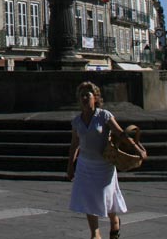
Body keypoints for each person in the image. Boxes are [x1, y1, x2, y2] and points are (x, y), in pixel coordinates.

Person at [67, 81, 135, 239]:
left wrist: (138, 149)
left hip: (103, 165)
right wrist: (70, 166)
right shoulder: (77, 121)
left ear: (95, 98)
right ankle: (95, 234)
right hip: (84, 165)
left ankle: (114, 220)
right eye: (81, 95)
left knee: (107, 197)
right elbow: (74, 146)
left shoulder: (104, 115)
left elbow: (120, 134)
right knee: (89, 199)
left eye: (87, 95)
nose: (84, 98)